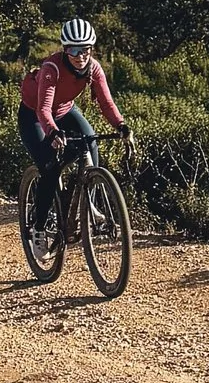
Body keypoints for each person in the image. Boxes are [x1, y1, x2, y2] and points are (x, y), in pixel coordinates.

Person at [19, 17, 129, 232]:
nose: (80, 56)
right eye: (74, 50)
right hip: (34, 116)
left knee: (91, 143)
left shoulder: (94, 68)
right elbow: (43, 109)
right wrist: (52, 133)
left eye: (85, 50)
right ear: (65, 50)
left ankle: (87, 206)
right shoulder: (52, 68)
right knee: (50, 166)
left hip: (65, 110)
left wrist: (121, 125)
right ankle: (39, 226)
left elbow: (106, 103)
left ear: (91, 49)